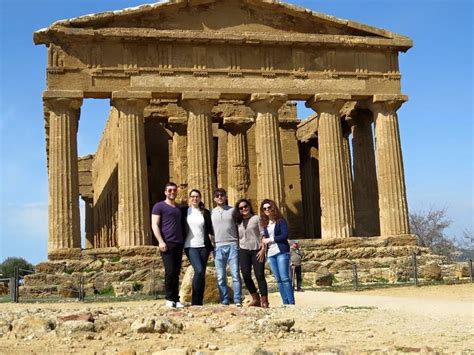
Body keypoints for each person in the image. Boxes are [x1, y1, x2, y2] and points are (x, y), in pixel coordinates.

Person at [151, 182, 185, 308]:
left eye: (174, 190)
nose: (172, 192)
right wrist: (160, 241)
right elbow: (154, 224)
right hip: (167, 242)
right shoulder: (159, 206)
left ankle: (176, 299)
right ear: (165, 192)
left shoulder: (179, 208)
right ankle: (169, 298)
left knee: (176, 272)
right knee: (169, 271)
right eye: (170, 190)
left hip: (178, 242)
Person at [233, 198, 269, 308]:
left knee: (259, 275)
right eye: (241, 208)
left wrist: (263, 249)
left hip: (257, 250)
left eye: (245, 206)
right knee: (246, 275)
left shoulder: (256, 218)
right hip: (243, 250)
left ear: (249, 206)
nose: (244, 209)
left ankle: (265, 301)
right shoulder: (238, 222)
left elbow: (263, 234)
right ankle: (255, 298)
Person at [181, 189, 214, 306]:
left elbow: (210, 229)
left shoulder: (205, 212)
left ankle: (199, 302)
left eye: (197, 197)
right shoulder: (184, 211)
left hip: (204, 246)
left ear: (200, 198)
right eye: (193, 197)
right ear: (189, 198)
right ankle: (195, 300)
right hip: (190, 246)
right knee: (199, 270)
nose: (195, 199)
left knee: (202, 272)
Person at [260, 199, 295, 305]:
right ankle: (285, 303)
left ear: (273, 208)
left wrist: (270, 239)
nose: (267, 210)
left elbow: (285, 235)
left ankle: (291, 303)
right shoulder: (265, 223)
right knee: (278, 279)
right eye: (264, 208)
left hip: (281, 251)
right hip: (271, 253)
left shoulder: (280, 221)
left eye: (269, 207)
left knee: (285, 278)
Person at [211, 188, 242, 306]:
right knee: (220, 276)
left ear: (225, 197)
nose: (220, 197)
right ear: (214, 198)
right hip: (218, 246)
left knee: (235, 274)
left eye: (222, 195)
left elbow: (240, 226)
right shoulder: (211, 212)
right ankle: (224, 300)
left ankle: (237, 299)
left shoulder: (233, 211)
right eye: (217, 195)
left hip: (232, 244)